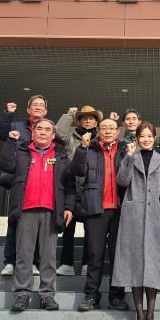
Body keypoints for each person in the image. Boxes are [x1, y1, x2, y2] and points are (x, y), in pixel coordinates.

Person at [0, 119, 75, 311]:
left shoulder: (61, 155)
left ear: (53, 135)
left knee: (48, 257)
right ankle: (22, 294)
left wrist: (68, 207)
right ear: (33, 132)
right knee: (24, 255)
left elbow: (69, 184)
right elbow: (5, 164)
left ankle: (47, 295)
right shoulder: (21, 151)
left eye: (48, 130)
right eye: (39, 129)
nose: (43, 132)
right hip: (26, 210)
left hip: (51, 211)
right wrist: (10, 142)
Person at [112, 122, 160, 320]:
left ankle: (151, 315)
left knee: (153, 266)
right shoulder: (132, 157)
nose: (146, 139)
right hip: (133, 218)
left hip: (155, 218)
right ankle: (139, 316)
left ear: (155, 138)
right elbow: (122, 181)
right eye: (142, 136)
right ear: (137, 139)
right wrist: (129, 157)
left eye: (149, 136)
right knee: (135, 265)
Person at [71, 117, 129, 312]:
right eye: (104, 128)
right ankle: (91, 296)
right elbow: (77, 170)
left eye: (111, 128)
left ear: (118, 131)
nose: (107, 131)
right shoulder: (90, 149)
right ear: (98, 131)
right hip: (95, 208)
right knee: (95, 254)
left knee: (118, 255)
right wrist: (82, 148)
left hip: (121, 209)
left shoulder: (126, 150)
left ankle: (117, 297)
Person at [0, 95, 48, 277]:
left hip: (40, 183)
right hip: (20, 182)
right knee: (14, 221)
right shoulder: (17, 126)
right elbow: (2, 134)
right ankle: (10, 261)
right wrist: (8, 114)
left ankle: (33, 262)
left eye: (41, 105)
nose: (38, 107)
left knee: (38, 224)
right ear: (28, 109)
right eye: (35, 105)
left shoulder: (48, 129)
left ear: (46, 111)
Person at [54, 106, 101, 276]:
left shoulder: (100, 139)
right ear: (79, 121)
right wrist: (69, 115)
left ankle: (87, 263)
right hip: (71, 186)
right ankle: (66, 263)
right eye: (84, 118)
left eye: (91, 118)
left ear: (96, 122)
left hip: (92, 188)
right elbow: (59, 133)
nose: (88, 121)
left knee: (91, 229)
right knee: (68, 226)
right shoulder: (71, 137)